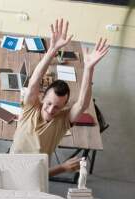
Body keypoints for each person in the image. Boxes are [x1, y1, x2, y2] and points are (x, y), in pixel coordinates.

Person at [10, 19, 109, 176]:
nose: (51, 110)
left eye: (57, 107)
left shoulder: (62, 121)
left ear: (64, 107)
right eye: (48, 103)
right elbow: (34, 81)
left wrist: (89, 68)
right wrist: (52, 50)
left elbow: (83, 103)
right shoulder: (30, 108)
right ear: (41, 98)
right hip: (10, 167)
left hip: (35, 176)